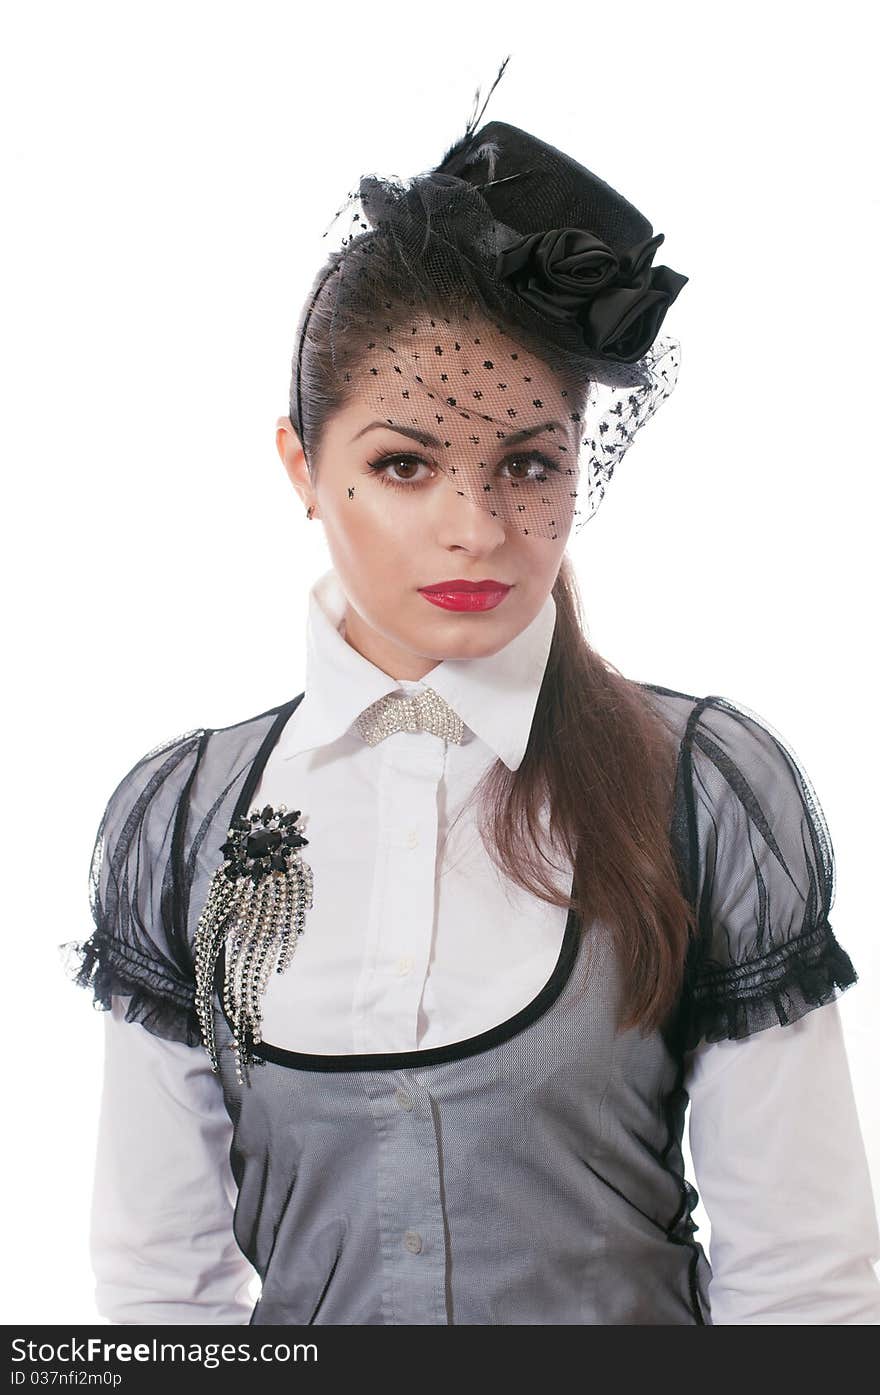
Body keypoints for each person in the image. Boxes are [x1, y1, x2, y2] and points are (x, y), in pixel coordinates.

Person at [64, 63, 880, 1325]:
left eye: (528, 464)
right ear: (301, 462)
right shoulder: (183, 821)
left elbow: (805, 1286)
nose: (476, 528)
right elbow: (157, 1292)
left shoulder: (701, 791)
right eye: (403, 463)